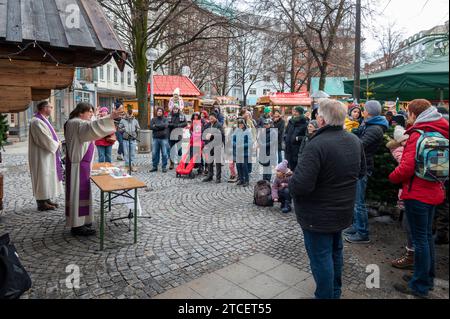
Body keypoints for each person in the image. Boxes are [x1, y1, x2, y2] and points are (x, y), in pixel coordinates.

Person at [289, 99, 366, 299]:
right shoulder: (354, 141)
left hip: (318, 216)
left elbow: (301, 185)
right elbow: (361, 172)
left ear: (322, 119)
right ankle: (335, 291)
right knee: (335, 253)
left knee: (321, 257)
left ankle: (325, 295)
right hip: (342, 211)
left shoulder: (316, 145)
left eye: (317, 115)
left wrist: (291, 181)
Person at [389, 99, 449, 298]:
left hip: (417, 193)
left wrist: (392, 177)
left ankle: (420, 286)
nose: (408, 117)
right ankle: (426, 277)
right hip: (435, 190)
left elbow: (406, 168)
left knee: (420, 239)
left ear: (415, 114)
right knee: (426, 238)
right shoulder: (440, 129)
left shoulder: (417, 133)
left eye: (409, 113)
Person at [64, 102, 122, 236]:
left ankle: (83, 219)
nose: (91, 114)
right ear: (80, 112)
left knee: (82, 193)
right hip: (78, 165)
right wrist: (110, 117)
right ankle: (77, 225)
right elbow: (92, 127)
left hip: (81, 164)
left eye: (92, 112)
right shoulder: (76, 123)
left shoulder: (75, 122)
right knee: (78, 193)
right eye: (89, 112)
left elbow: (91, 128)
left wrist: (104, 118)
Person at [344, 100, 389, 244]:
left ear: (368, 112)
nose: (362, 111)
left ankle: (363, 233)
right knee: (355, 200)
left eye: (364, 109)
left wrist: (349, 136)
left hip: (363, 167)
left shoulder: (375, 128)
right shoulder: (369, 124)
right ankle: (356, 226)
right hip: (358, 165)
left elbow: (360, 145)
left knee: (359, 203)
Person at [387, 126, 415, 270]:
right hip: (411, 191)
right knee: (413, 227)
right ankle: (413, 254)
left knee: (411, 226)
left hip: (412, 191)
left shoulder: (407, 148)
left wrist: (392, 177)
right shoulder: (404, 148)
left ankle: (412, 255)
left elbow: (404, 169)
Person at [28, 101, 63, 211]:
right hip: (41, 155)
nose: (52, 109)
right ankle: (41, 202)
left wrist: (56, 142)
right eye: (50, 107)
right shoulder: (36, 121)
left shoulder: (43, 120)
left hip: (47, 154)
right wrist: (57, 144)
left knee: (48, 176)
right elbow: (44, 138)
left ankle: (46, 198)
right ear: (44, 108)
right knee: (42, 176)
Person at [202, 112, 225, 183]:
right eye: (210, 117)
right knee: (209, 161)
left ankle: (218, 178)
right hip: (209, 145)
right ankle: (210, 175)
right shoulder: (207, 125)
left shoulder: (219, 125)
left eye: (212, 117)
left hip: (217, 144)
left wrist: (211, 135)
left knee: (217, 162)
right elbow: (203, 132)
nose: (211, 119)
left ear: (215, 118)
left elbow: (221, 134)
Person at [284, 106, 308, 171]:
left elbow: (306, 136)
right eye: (294, 111)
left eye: (296, 112)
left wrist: (297, 138)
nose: (294, 113)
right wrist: (285, 138)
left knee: (296, 168)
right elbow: (286, 132)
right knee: (288, 167)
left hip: (297, 149)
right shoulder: (291, 122)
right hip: (288, 149)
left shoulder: (305, 123)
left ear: (300, 113)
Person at [119, 106, 140, 172]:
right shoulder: (122, 120)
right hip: (125, 139)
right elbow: (119, 129)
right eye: (129, 114)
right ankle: (127, 166)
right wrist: (123, 129)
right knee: (126, 153)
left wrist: (136, 130)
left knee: (132, 153)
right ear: (126, 114)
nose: (130, 115)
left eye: (131, 114)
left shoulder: (135, 120)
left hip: (133, 139)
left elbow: (139, 128)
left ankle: (132, 166)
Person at [232, 118, 252, 187]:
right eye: (239, 124)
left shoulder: (248, 131)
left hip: (245, 152)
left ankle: (246, 180)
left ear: (244, 124)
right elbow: (233, 140)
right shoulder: (236, 130)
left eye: (241, 124)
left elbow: (250, 142)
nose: (240, 125)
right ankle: (240, 179)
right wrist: (236, 144)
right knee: (238, 165)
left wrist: (242, 146)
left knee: (244, 166)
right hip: (238, 152)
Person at [150, 107, 169, 173]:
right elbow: (151, 127)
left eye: (160, 111)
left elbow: (165, 126)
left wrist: (156, 126)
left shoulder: (165, 119)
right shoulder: (153, 119)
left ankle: (164, 167)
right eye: (158, 111)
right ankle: (154, 166)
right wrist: (160, 126)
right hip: (155, 138)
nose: (159, 112)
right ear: (156, 112)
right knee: (154, 153)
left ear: (162, 112)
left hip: (164, 139)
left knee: (164, 153)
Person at [167, 105, 187, 169]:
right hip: (171, 134)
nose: (175, 110)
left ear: (178, 109)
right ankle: (171, 163)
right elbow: (166, 123)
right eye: (174, 109)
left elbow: (185, 123)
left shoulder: (182, 115)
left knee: (179, 150)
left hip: (179, 135)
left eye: (176, 109)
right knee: (171, 150)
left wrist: (178, 125)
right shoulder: (169, 115)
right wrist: (171, 125)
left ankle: (179, 162)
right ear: (172, 110)